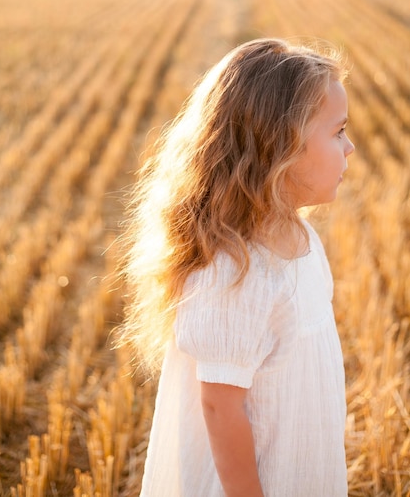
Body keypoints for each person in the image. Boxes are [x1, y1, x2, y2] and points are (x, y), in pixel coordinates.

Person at [119, 37, 355, 496]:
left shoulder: (303, 239)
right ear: (279, 150)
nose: (350, 148)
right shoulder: (235, 274)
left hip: (298, 465)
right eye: (338, 132)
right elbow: (220, 410)